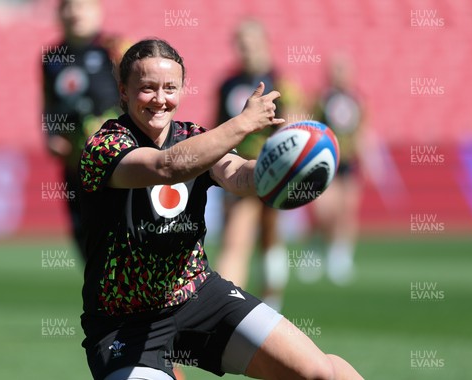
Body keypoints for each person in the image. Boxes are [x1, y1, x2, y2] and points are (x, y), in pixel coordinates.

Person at [78, 39, 363, 380]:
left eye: (170, 88)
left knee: (321, 372)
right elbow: (166, 167)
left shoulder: (193, 136)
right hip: (124, 323)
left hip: (198, 295)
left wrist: (277, 173)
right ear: (123, 92)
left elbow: (238, 174)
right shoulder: (105, 144)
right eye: (147, 88)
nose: (160, 99)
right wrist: (241, 123)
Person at [214, 19, 304, 311]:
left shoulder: (282, 84)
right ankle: (225, 305)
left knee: (270, 237)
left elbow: (294, 128)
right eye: (242, 44)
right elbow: (218, 128)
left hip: (274, 170)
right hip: (240, 172)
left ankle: (269, 302)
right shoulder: (228, 84)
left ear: (265, 43)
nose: (246, 50)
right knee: (236, 238)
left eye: (252, 43)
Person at [42, 0, 125, 258]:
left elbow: (145, 97)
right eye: (68, 6)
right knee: (87, 241)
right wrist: (51, 136)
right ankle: (101, 297)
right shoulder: (50, 58)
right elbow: (48, 105)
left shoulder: (117, 49)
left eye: (82, 5)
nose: (75, 12)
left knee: (123, 238)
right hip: (76, 166)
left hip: (118, 164)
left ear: (97, 11)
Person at [304, 55, 365, 285]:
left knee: (347, 210)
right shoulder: (321, 99)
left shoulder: (357, 100)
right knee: (325, 212)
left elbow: (362, 131)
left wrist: (367, 158)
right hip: (325, 162)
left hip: (348, 163)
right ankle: (316, 248)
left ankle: (341, 256)